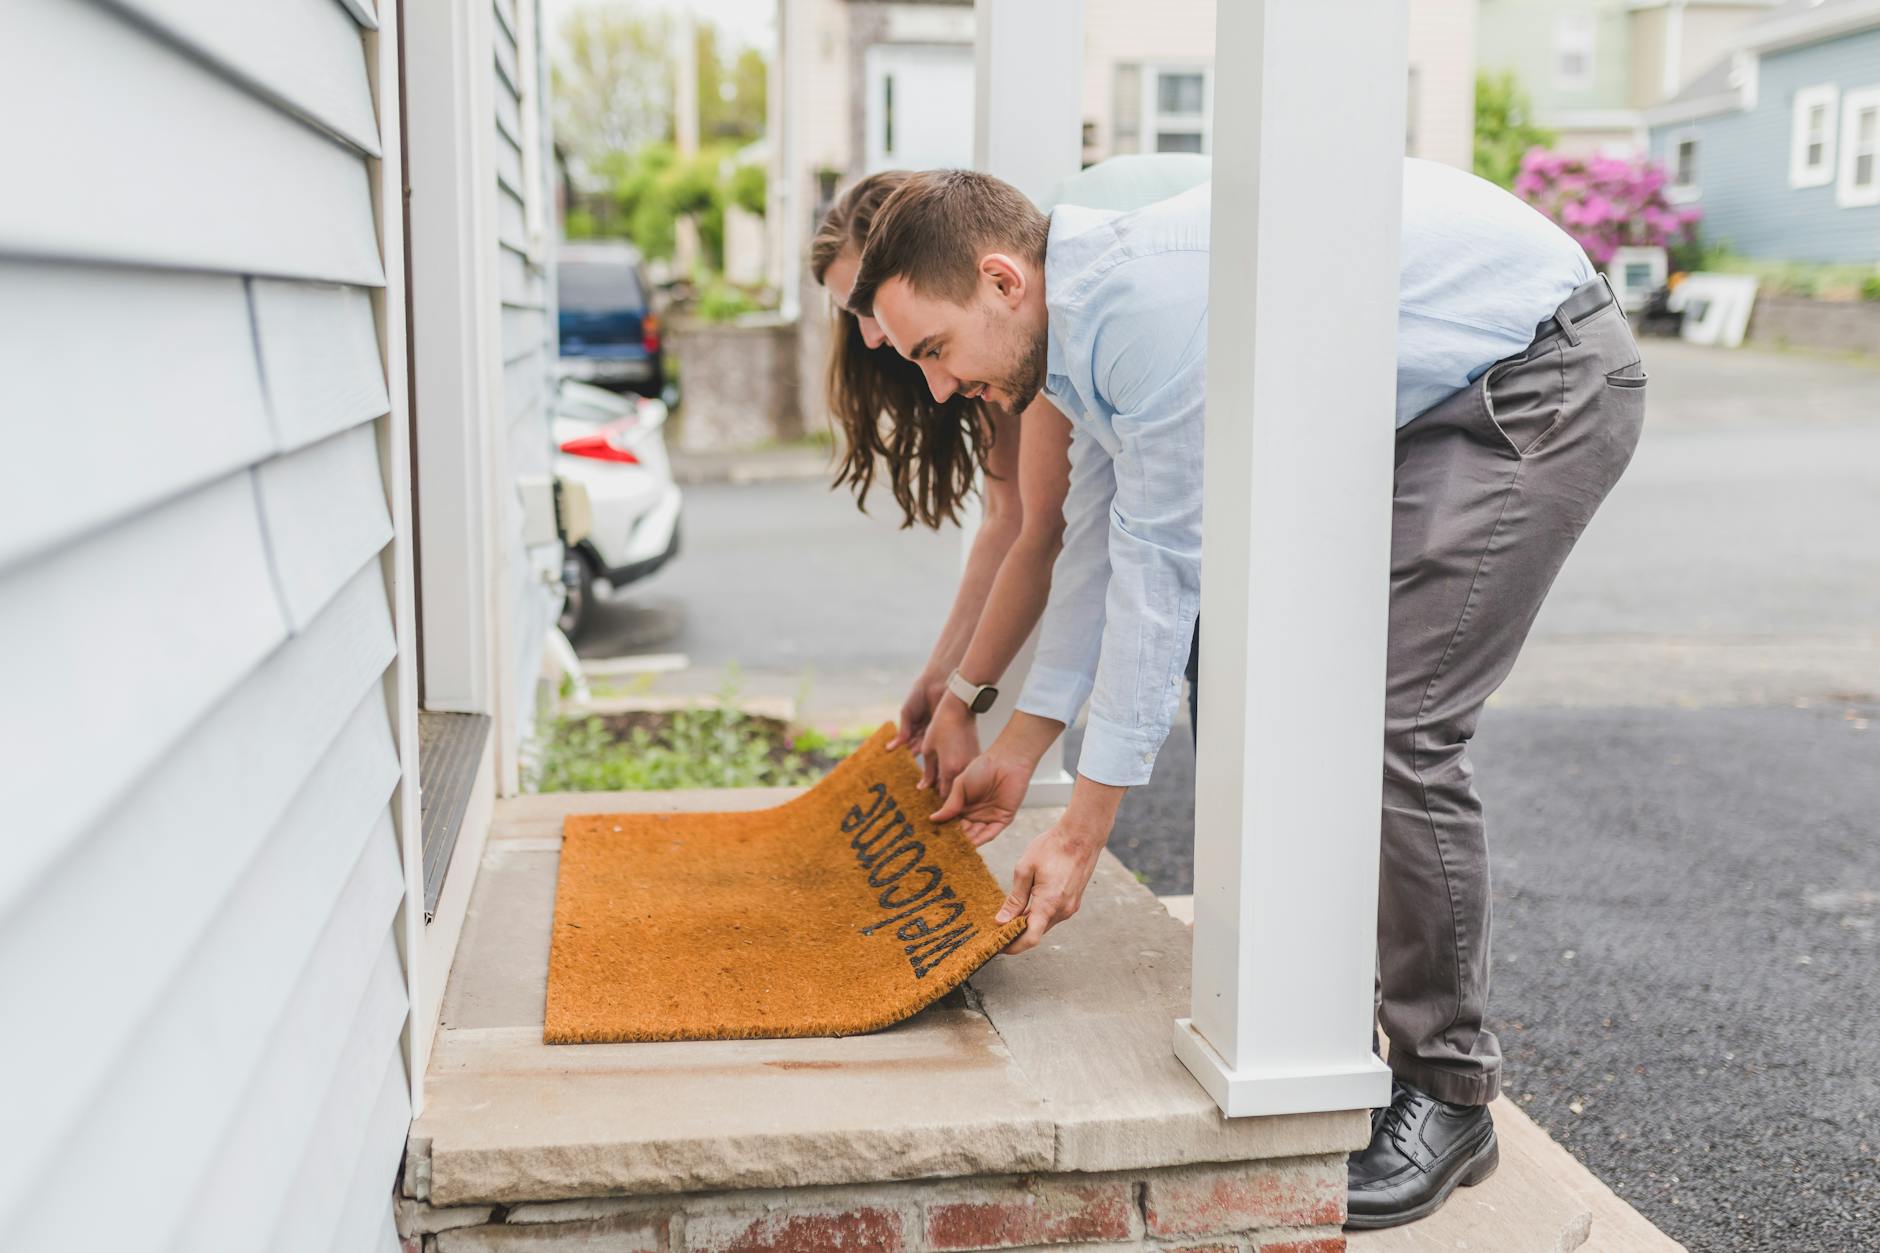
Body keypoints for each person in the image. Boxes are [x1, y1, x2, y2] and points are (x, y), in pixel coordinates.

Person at [846, 159, 1647, 1231]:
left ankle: (1450, 1090)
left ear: (1000, 280)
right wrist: (1024, 741)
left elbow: (1158, 561)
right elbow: (1094, 539)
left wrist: (1084, 827)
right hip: (1432, 397)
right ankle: (1325, 1007)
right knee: (1274, 679)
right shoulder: (1069, 321)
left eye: (933, 352)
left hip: (1533, 381)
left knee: (1391, 727)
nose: (937, 387)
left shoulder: (1140, 304)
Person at [808, 157, 1210, 795]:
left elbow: (1054, 532)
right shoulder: (1001, 324)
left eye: (870, 301)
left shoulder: (1049, 307)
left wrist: (968, 697)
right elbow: (1027, 522)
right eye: (848, 310)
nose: (868, 332)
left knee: (1209, 647)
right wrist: (948, 682)